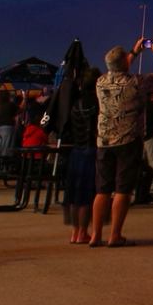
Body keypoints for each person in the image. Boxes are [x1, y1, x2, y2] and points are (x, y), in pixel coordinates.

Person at [91, 37, 153, 249]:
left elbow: (119, 68)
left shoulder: (100, 82)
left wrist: (133, 53)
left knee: (102, 190)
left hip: (104, 141)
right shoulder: (136, 83)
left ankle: (95, 235)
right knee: (122, 189)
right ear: (124, 62)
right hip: (128, 140)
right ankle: (115, 234)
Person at [50, 62, 100, 244]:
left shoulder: (75, 104)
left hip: (76, 150)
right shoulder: (97, 103)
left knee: (74, 194)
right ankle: (83, 232)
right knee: (88, 195)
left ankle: (75, 231)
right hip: (92, 149)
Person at [0, 82, 19, 173]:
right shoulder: (10, 105)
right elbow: (20, 109)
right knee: (6, 149)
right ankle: (4, 169)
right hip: (7, 127)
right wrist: (25, 99)